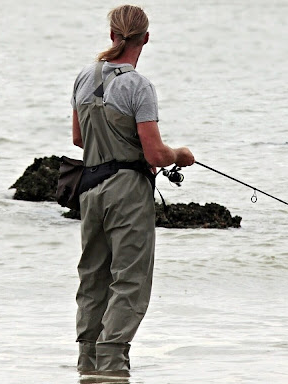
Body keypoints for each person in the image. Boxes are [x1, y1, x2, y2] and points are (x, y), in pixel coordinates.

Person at [70, 4, 195, 375]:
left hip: (89, 189)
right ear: (146, 38)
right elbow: (156, 152)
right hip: (127, 191)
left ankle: (87, 363)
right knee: (130, 280)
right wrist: (182, 155)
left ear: (112, 35)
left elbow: (79, 139)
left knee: (93, 278)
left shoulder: (82, 77)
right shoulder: (138, 85)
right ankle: (111, 363)